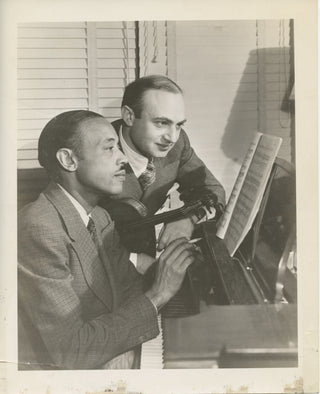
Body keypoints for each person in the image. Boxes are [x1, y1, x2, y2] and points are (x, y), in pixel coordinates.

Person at [18, 110, 199, 370]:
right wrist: (159, 294)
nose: (123, 159)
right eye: (109, 148)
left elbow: (126, 287)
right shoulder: (39, 229)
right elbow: (73, 351)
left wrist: (173, 273)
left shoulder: (99, 217)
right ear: (68, 160)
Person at [100, 75, 226, 256]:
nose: (172, 138)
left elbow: (212, 189)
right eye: (161, 123)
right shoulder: (95, 151)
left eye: (179, 125)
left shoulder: (177, 145)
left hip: (151, 254)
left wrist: (189, 218)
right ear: (129, 116)